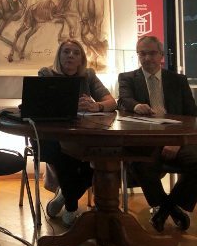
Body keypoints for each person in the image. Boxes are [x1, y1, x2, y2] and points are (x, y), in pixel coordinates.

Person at [118, 35, 197, 233]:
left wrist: (177, 142)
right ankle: (170, 209)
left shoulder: (178, 80)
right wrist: (136, 106)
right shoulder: (127, 78)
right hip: (146, 141)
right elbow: (124, 99)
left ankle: (165, 209)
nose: (147, 58)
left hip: (176, 139)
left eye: (152, 53)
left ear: (161, 55)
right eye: (142, 54)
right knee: (138, 162)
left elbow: (191, 115)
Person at [38, 39, 117, 226]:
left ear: (81, 58)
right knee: (63, 156)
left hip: (82, 135)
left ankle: (64, 197)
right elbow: (41, 104)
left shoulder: (88, 75)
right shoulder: (47, 74)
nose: (71, 56)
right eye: (66, 52)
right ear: (59, 56)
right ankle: (72, 205)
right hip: (52, 136)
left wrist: (97, 105)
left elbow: (111, 102)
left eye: (76, 52)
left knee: (100, 158)